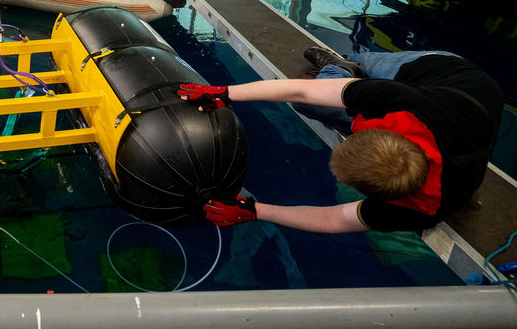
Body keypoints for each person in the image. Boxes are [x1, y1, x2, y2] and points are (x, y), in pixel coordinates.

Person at [179, 47, 502, 234]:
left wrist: (255, 210)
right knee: (358, 70)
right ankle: (344, 64)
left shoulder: (421, 212)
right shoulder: (398, 100)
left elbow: (335, 218)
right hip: (444, 72)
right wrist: (226, 93)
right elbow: (300, 90)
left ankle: (342, 70)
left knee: (316, 106)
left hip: (464, 119)